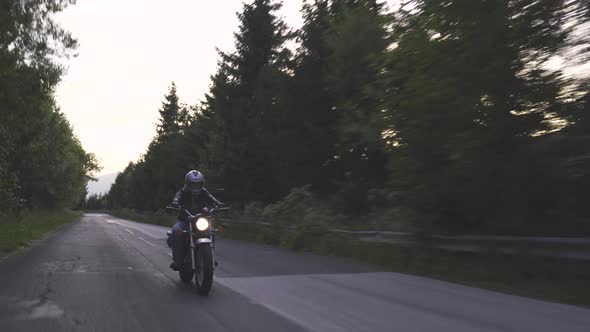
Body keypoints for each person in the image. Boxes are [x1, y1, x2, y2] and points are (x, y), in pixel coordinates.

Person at [168, 170, 224, 271]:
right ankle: (177, 260)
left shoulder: (204, 192)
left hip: (200, 220)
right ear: (188, 183)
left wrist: (217, 203)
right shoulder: (183, 191)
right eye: (193, 184)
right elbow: (177, 197)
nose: (196, 186)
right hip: (185, 220)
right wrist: (175, 202)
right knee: (176, 231)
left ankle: (210, 257)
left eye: (198, 184)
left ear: (201, 183)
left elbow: (211, 198)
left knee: (212, 231)